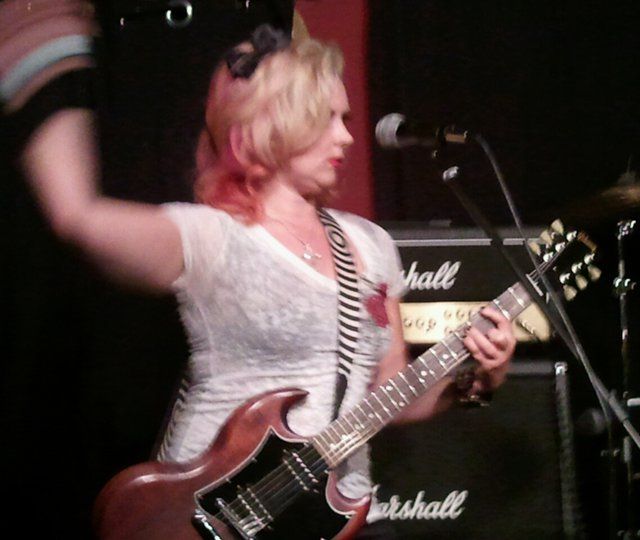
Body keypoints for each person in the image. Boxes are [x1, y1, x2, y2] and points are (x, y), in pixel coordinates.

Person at [3, 3, 515, 537]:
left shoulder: (372, 244)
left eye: (345, 119)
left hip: (337, 517)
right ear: (271, 122)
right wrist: (43, 64)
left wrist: (476, 382)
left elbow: (387, 393)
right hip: (213, 516)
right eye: (326, 119)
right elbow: (80, 219)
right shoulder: (210, 235)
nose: (346, 137)